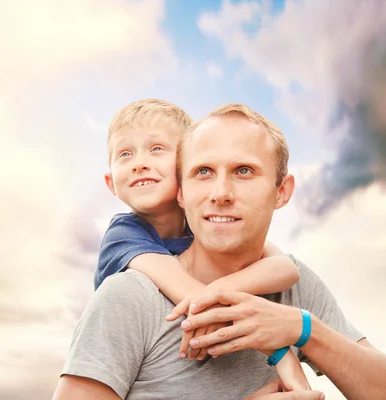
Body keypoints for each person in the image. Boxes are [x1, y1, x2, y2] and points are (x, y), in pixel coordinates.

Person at [53, 103, 386, 399]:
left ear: (281, 192)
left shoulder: (297, 291)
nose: (221, 192)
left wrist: (303, 330)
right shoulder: (130, 294)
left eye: (244, 171)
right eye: (203, 171)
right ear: (182, 190)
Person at [91, 98, 308, 389]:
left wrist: (222, 289)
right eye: (125, 154)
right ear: (110, 183)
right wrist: (281, 352)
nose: (140, 164)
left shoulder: (206, 225)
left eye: (156, 149)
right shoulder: (125, 235)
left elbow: (285, 269)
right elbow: (197, 300)